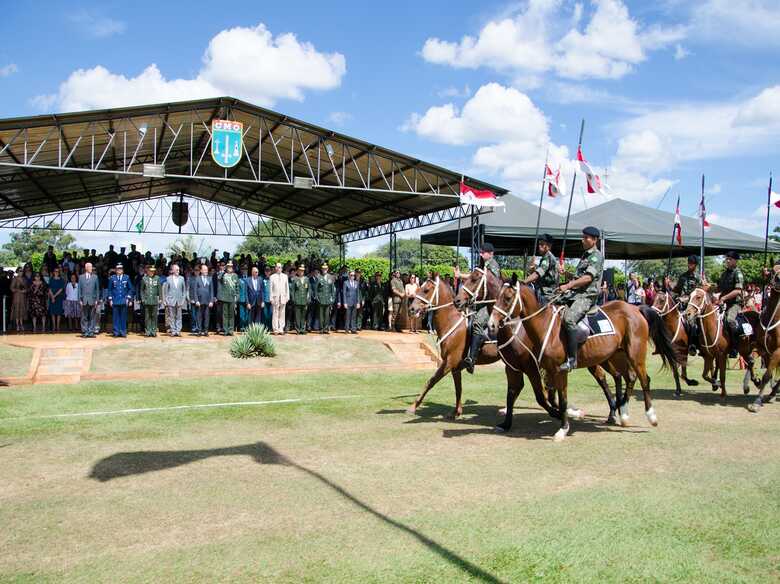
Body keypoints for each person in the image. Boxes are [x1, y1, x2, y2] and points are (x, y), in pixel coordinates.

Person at [555, 226, 604, 372]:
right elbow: (579, 277)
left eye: (585, 238)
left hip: (587, 295)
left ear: (594, 240)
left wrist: (568, 285)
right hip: (575, 293)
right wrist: (566, 273)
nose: (582, 240)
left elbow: (588, 278)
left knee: (569, 319)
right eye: (582, 237)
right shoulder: (585, 255)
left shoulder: (596, 256)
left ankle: (572, 359)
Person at [462, 243, 502, 373]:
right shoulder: (483, 265)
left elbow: (492, 283)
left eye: (483, 252)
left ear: (491, 253)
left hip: (492, 303)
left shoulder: (493, 265)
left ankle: (472, 359)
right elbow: (474, 277)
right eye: (481, 252)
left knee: (478, 323)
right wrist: (460, 275)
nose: (480, 254)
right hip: (482, 302)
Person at [715, 251, 745, 358]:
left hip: (735, 304)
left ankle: (734, 347)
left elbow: (738, 290)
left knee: (729, 320)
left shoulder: (738, 273)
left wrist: (723, 298)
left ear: (735, 261)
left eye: (730, 259)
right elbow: (718, 288)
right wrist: (708, 286)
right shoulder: (724, 274)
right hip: (723, 303)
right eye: (726, 259)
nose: (727, 261)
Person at [523, 233, 558, 304]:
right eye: (539, 244)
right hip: (541, 291)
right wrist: (533, 270)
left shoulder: (548, 257)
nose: (539, 246)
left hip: (547, 294)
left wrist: (523, 282)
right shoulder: (545, 257)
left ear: (549, 246)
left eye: (542, 244)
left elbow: (538, 274)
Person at [107, 263, 134, 337]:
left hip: (124, 300)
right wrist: (110, 300)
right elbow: (109, 290)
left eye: (120, 269)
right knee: (115, 317)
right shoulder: (112, 278)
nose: (119, 270)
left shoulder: (126, 277)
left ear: (123, 270)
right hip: (115, 300)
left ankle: (123, 332)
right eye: (118, 269)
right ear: (115, 270)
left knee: (123, 317)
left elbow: (130, 289)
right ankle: (116, 332)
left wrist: (128, 298)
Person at [162, 264, 186, 337]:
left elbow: (184, 291)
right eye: (177, 270)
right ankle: (173, 330)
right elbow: (166, 291)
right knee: (171, 316)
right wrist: (166, 300)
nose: (178, 271)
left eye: (179, 270)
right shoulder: (168, 279)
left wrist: (183, 300)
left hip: (179, 300)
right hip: (171, 300)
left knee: (179, 316)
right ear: (173, 270)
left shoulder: (182, 278)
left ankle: (178, 331)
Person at [78, 262, 101, 338]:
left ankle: (91, 332)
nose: (91, 268)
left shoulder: (95, 277)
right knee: (84, 317)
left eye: (91, 267)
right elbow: (79, 289)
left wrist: (97, 300)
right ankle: (85, 331)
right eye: (90, 267)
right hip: (84, 300)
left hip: (92, 300)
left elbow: (97, 290)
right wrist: (79, 300)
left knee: (92, 317)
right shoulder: (81, 277)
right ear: (86, 268)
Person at [218, 261, 240, 336]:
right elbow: (219, 278)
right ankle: (225, 330)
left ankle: (230, 330)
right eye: (228, 266)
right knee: (225, 315)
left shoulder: (235, 275)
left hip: (232, 298)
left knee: (231, 315)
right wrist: (223, 270)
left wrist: (237, 297)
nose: (230, 268)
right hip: (224, 298)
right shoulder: (223, 275)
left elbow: (237, 287)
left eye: (231, 266)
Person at [140, 265, 162, 337]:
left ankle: (153, 331)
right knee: (147, 317)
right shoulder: (144, 279)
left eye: (153, 271)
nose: (152, 272)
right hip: (147, 300)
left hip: (154, 300)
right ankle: (148, 331)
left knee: (154, 316)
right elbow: (142, 290)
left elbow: (159, 289)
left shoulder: (157, 278)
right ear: (148, 271)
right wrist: (143, 299)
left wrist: (160, 298)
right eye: (150, 271)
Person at [193, 263, 214, 336]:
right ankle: (199, 330)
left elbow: (212, 291)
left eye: (207, 270)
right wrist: (196, 300)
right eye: (204, 270)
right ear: (201, 271)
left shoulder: (210, 278)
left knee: (207, 317)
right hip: (199, 301)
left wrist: (211, 301)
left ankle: (206, 331)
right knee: (199, 316)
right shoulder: (197, 278)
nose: (206, 271)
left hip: (207, 301)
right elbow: (195, 291)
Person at [269, 262, 289, 335]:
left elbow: (287, 288)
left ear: (282, 268)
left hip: (283, 297)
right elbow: (270, 289)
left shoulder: (285, 276)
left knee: (282, 313)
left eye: (280, 267)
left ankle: (281, 328)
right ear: (275, 268)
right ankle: (275, 329)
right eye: (277, 267)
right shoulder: (272, 277)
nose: (278, 268)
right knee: (275, 313)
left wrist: (287, 297)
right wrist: (271, 298)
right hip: (275, 298)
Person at [316, 263, 337, 334]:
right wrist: (317, 297)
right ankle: (321, 329)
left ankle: (326, 329)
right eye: (323, 269)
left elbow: (332, 289)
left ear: (327, 269)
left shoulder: (330, 277)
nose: (324, 270)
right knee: (321, 315)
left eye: (325, 269)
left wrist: (332, 298)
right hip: (321, 299)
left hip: (328, 299)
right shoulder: (318, 277)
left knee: (327, 315)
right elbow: (316, 289)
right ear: (321, 269)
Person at [290, 264, 310, 334]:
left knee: (303, 315)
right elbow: (292, 290)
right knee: (297, 316)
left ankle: (302, 329)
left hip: (304, 300)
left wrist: (308, 299)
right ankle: (298, 329)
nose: (301, 272)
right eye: (300, 271)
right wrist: (293, 299)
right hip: (297, 300)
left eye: (302, 271)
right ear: (298, 271)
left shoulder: (306, 279)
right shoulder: (295, 279)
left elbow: (309, 290)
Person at [342, 270, 362, 334]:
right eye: (351, 275)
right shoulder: (345, 283)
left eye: (353, 275)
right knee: (347, 316)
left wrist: (358, 302)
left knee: (354, 316)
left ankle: (353, 329)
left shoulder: (356, 283)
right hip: (348, 302)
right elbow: (344, 293)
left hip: (355, 302)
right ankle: (347, 329)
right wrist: (345, 302)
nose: (352, 276)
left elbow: (358, 293)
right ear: (349, 276)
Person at [48, 267, 66, 332]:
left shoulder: (61, 280)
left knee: (58, 313)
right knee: (52, 312)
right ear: (53, 272)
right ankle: (54, 326)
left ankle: (58, 326)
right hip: (52, 297)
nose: (56, 272)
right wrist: (52, 297)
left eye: (58, 271)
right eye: (55, 271)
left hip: (59, 297)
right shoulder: (51, 279)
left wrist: (54, 296)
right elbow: (49, 288)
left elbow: (61, 289)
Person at [10, 268, 27, 332]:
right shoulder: (15, 279)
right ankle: (17, 325)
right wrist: (17, 290)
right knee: (17, 310)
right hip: (16, 296)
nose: (21, 272)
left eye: (22, 271)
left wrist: (25, 290)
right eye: (20, 271)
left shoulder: (24, 279)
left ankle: (21, 324)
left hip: (22, 297)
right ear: (17, 272)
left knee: (22, 310)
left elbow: (27, 288)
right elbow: (11, 288)